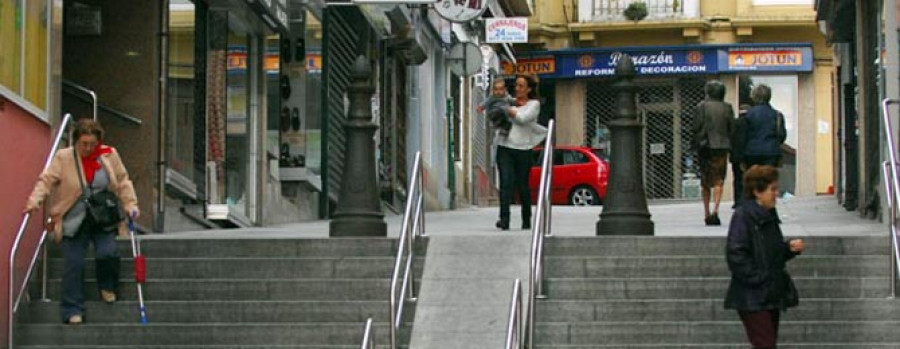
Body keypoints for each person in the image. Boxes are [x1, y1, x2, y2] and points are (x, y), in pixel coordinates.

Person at [24, 118, 139, 325]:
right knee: (74, 263)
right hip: (74, 218)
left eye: (92, 144)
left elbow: (122, 181)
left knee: (108, 252)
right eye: (83, 144)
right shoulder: (64, 157)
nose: (87, 148)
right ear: (75, 140)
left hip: (103, 216)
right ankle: (72, 310)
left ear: (98, 142)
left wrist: (130, 204)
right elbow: (47, 180)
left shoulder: (109, 154)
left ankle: (108, 285)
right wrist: (34, 201)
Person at [725, 165, 805, 349]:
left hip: (769, 292)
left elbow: (771, 252)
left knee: (767, 342)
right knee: (765, 343)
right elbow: (736, 253)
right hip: (754, 294)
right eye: (772, 189)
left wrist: (788, 249)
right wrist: (759, 277)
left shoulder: (768, 216)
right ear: (757, 192)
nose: (775, 194)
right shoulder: (744, 216)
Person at [495, 74, 546, 230]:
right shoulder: (509, 101)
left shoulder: (534, 104)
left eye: (521, 86)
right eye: (516, 85)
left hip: (523, 148)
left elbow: (523, 119)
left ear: (529, 89)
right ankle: (504, 219)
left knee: (522, 185)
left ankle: (526, 218)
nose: (517, 89)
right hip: (504, 146)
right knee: (506, 183)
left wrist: (507, 109)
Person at [693, 80, 735, 226]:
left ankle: (706, 212)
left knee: (705, 182)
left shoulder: (701, 107)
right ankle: (715, 211)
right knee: (719, 180)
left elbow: (696, 127)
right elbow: (731, 128)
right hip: (721, 147)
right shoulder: (727, 107)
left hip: (705, 147)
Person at [741, 84, 787, 168]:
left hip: (751, 153)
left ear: (754, 97)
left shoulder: (747, 115)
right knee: (768, 178)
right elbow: (781, 135)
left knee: (753, 179)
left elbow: (743, 135)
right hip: (771, 153)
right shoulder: (777, 115)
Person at [731, 104, 750, 209]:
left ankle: (737, 200)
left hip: (736, 155)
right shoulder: (751, 123)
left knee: (737, 178)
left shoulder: (735, 123)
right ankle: (747, 199)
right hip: (748, 154)